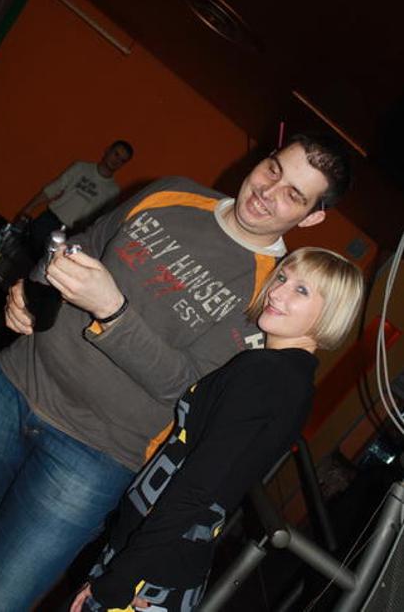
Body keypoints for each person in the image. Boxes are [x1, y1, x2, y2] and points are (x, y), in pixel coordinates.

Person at [0, 133, 350, 611]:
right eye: (273, 170)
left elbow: (186, 387)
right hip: (9, 386)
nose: (268, 191)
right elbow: (81, 245)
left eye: (293, 195)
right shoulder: (172, 192)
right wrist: (30, 293)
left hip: (92, 457)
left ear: (312, 216)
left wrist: (113, 310)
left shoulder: (273, 295)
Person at [67, 247, 364, 612]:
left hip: (146, 575)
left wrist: (122, 577)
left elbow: (197, 487)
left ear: (331, 312)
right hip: (154, 561)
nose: (276, 292)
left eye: (301, 290)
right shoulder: (292, 377)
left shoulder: (269, 373)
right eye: (282, 278)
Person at [18, 140, 134, 258]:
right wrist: (27, 209)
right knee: (22, 256)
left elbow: (101, 221)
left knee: (48, 266)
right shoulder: (81, 168)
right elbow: (53, 189)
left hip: (71, 235)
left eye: (122, 160)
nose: (116, 161)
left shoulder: (113, 191)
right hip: (49, 221)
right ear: (108, 150)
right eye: (116, 154)